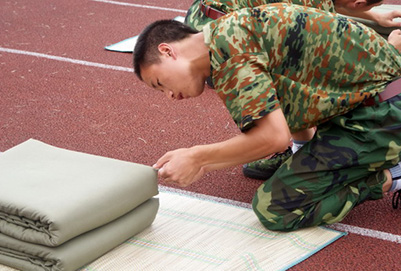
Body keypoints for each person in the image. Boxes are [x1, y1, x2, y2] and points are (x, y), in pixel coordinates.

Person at [133, 4, 401, 231]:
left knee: (274, 209)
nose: (168, 95)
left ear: (168, 51)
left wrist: (197, 157)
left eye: (159, 83)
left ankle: (393, 175)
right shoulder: (227, 34)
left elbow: (273, 137)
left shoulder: (230, 52)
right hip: (366, 101)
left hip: (382, 113)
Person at [184, 0, 401, 180]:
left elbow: (331, 5)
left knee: (286, 50)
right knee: (302, 64)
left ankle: (301, 146)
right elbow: (328, 43)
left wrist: (376, 17)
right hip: (218, 38)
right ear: (358, 3)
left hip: (200, 20)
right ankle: (301, 148)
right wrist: (390, 52)